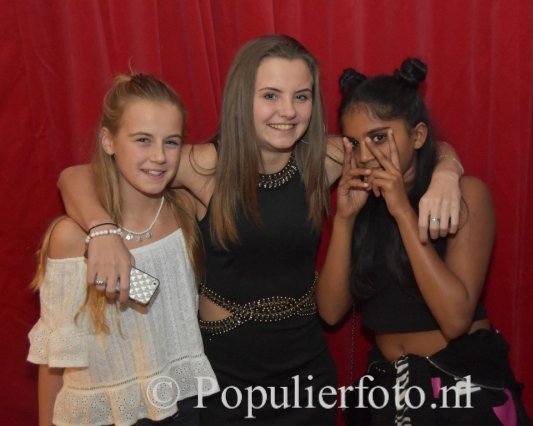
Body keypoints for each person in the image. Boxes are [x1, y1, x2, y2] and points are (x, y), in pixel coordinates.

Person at [57, 36, 463, 424]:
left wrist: (447, 172)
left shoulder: (325, 159)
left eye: (301, 96)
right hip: (227, 381)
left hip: (306, 375)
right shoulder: (205, 166)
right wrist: (102, 230)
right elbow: (77, 176)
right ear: (242, 98)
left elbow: (410, 143)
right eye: (270, 95)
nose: (287, 111)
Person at [317, 59, 531, 425]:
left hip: (458, 387)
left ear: (417, 136)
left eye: (379, 137)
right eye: (354, 142)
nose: (366, 155)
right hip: (388, 390)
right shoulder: (365, 203)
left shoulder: (464, 195)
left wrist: (403, 212)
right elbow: (330, 311)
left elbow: (455, 319)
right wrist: (344, 220)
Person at [27, 74, 218, 426]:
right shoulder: (71, 237)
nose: (158, 156)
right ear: (109, 141)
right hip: (100, 414)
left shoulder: (184, 213)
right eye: (143, 140)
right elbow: (56, 356)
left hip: (185, 407)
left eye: (171, 142)